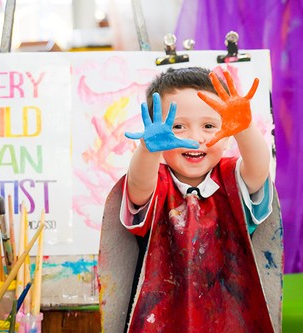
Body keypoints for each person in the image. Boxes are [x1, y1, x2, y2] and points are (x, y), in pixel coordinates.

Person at [98, 67, 283, 333]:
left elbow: (258, 170)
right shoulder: (156, 181)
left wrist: (245, 128)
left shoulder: (232, 179)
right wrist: (148, 150)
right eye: (177, 127)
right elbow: (138, 189)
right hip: (160, 320)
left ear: (228, 131)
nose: (195, 139)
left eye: (209, 126)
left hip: (232, 318)